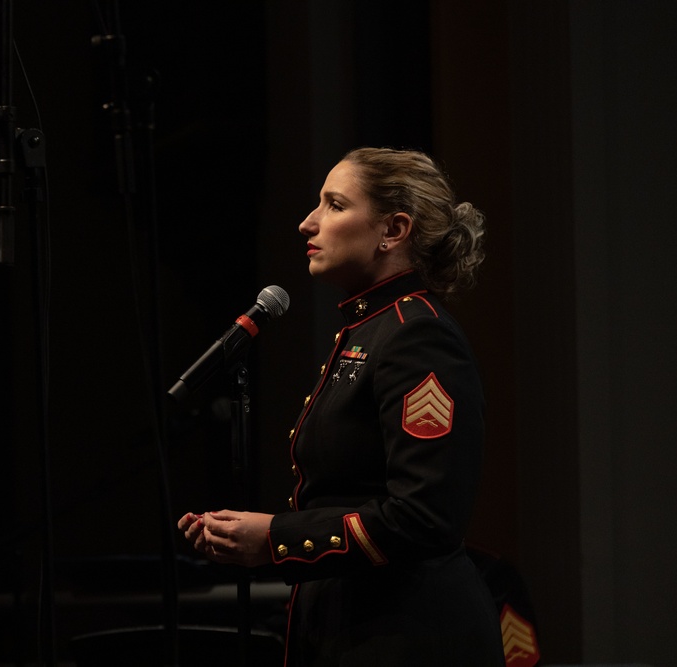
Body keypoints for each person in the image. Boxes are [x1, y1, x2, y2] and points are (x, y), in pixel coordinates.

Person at [178, 147, 505, 666]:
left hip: (408, 638)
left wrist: (275, 539)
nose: (308, 222)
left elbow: (425, 517)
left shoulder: (415, 334)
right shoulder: (372, 330)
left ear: (393, 230)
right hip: (356, 627)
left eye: (334, 205)